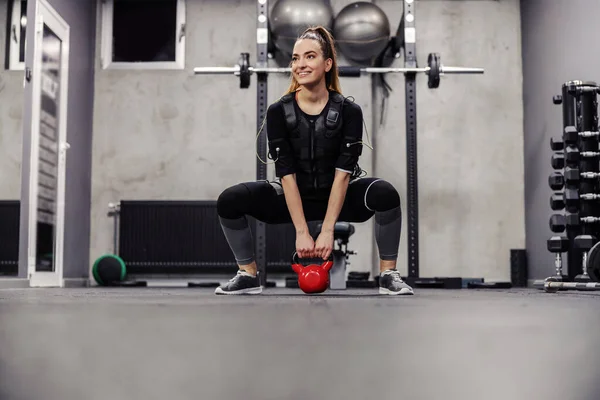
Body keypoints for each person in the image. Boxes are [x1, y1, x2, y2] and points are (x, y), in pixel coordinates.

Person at [215, 26, 414, 296]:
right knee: (230, 200)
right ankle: (248, 275)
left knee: (385, 194)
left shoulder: (349, 111)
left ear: (327, 64)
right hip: (292, 197)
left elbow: (344, 174)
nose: (300, 64)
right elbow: (286, 174)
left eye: (309, 57)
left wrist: (328, 229)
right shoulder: (278, 112)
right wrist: (301, 232)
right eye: (295, 58)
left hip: (338, 198)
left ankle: (388, 274)